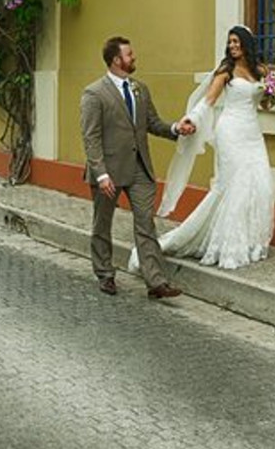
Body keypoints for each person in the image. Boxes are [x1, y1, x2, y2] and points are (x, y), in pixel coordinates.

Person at [129, 25, 275, 271]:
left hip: (252, 133)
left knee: (260, 184)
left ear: (247, 43)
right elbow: (208, 101)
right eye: (230, 42)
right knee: (235, 186)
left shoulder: (260, 70)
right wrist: (192, 120)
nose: (232, 46)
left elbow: (265, 105)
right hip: (230, 132)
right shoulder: (225, 71)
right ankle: (229, 246)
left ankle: (251, 241)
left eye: (237, 42)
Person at [80, 36, 194, 298]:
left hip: (139, 169)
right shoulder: (94, 93)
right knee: (102, 224)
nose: (134, 58)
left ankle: (155, 282)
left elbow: (152, 123)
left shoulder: (140, 89)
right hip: (108, 171)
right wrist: (101, 174)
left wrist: (177, 128)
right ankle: (105, 274)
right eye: (130, 55)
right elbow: (91, 137)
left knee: (145, 224)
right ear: (116, 60)